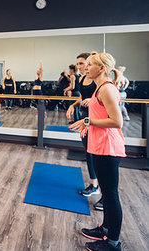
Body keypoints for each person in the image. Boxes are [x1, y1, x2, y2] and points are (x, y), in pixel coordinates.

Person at [70, 52, 126, 251]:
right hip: (101, 145)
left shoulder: (107, 89)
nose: (86, 67)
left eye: (90, 64)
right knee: (107, 191)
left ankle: (113, 243)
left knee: (110, 194)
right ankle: (106, 229)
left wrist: (88, 121)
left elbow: (116, 121)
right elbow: (101, 111)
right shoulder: (99, 88)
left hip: (109, 147)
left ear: (101, 68)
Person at [67, 52, 102, 211]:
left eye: (82, 63)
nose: (80, 67)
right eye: (78, 64)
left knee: (99, 156)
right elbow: (81, 98)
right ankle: (94, 184)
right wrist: (73, 105)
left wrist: (93, 101)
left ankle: (104, 194)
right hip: (84, 119)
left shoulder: (97, 80)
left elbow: (104, 99)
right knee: (89, 151)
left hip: (97, 120)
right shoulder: (81, 79)